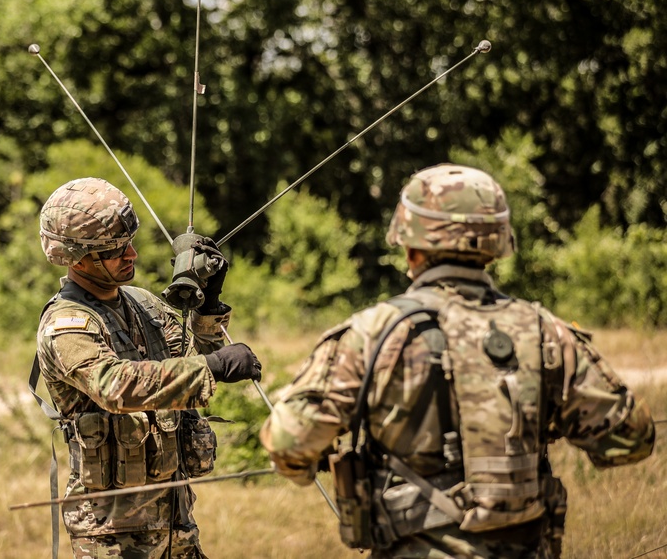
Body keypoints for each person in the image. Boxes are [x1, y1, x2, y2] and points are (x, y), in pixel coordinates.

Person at [260, 163, 655, 559]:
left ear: (410, 245)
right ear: (496, 244)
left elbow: (288, 443)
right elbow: (631, 439)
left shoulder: (373, 333)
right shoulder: (545, 331)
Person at [33, 177, 262, 559]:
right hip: (112, 535)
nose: (132, 255)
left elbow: (190, 356)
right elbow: (116, 386)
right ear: (80, 257)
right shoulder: (67, 325)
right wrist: (213, 366)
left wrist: (207, 303)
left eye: (129, 243)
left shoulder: (141, 303)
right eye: (115, 250)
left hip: (175, 521)